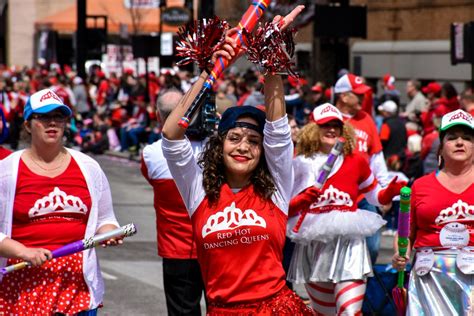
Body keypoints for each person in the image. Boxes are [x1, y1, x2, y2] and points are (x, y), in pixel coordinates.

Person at [161, 7, 312, 314]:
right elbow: (171, 134)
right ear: (220, 144)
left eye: (254, 141)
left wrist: (271, 55)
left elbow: (279, 133)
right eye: (235, 138)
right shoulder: (199, 191)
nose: (243, 147)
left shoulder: (276, 189)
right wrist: (214, 68)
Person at [0, 88, 123, 314]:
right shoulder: (7, 171)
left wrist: (110, 232)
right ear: (28, 125)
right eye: (44, 117)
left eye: (59, 117)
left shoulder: (88, 167)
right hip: (23, 285)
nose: (52, 123)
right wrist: (23, 251)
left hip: (77, 286)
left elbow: (106, 218)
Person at [286, 103, 404, 315]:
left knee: (350, 311)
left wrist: (389, 193)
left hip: (349, 242)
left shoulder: (356, 160)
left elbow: (374, 195)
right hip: (315, 244)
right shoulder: (300, 163)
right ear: (313, 128)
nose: (331, 129)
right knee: (325, 313)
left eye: (336, 125)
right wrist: (301, 200)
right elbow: (286, 209)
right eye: (325, 125)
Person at [392, 109, 474, 315]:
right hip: (429, 279)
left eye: (467, 138)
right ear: (440, 147)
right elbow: (406, 233)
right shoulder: (420, 186)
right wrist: (400, 255)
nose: (459, 143)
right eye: (452, 138)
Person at [141, 90, 205, 315]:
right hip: (214, 243)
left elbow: (149, 177)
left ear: (158, 117)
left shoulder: (150, 153)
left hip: (176, 249)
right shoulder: (216, 148)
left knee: (181, 310)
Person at [334, 73, 390, 264]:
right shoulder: (329, 118)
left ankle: (364, 290)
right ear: (343, 96)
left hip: (365, 194)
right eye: (357, 94)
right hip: (336, 196)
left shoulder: (366, 119)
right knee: (337, 248)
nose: (362, 98)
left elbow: (377, 158)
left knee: (372, 247)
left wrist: (385, 190)